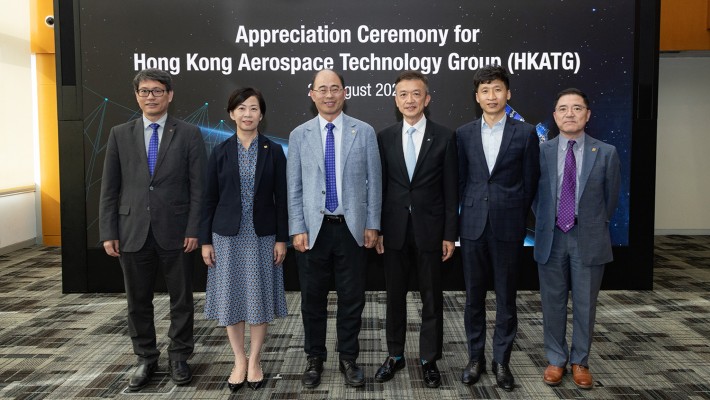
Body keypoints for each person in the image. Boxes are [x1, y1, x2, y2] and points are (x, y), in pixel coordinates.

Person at [99, 68, 206, 391]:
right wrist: (108, 231)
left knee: (181, 299)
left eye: (157, 91)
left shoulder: (188, 133)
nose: (150, 97)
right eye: (144, 91)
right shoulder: (120, 133)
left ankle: (179, 356)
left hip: (177, 231)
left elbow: (198, 187)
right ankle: (145, 357)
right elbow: (109, 188)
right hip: (132, 230)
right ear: (136, 96)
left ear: (169, 95)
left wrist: (194, 228)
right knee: (137, 301)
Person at [287, 69, 382, 388]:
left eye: (335, 88)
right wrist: (297, 226)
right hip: (313, 230)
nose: (329, 95)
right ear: (311, 94)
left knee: (352, 297)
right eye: (322, 89)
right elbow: (294, 186)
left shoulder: (364, 131)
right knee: (312, 298)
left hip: (352, 229)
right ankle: (314, 358)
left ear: (345, 93)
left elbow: (375, 183)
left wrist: (373, 223)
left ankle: (348, 358)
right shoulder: (299, 134)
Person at [456, 65, 540, 392]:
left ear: (508, 93)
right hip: (473, 226)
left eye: (497, 90)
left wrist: (514, 210)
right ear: (477, 97)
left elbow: (530, 182)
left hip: (508, 226)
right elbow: (461, 180)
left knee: (507, 297)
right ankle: (475, 358)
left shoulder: (526, 133)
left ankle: (501, 360)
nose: (492, 96)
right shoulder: (462, 134)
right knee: (473, 297)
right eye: (485, 91)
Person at [199, 87, 288, 392]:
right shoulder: (220, 151)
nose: (247, 114)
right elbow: (208, 199)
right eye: (241, 109)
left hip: (263, 236)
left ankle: (255, 360)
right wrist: (205, 242)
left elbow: (283, 198)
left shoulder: (273, 151)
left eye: (253, 108)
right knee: (232, 299)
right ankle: (238, 359)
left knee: (258, 299)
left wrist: (282, 239)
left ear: (261, 114)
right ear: (231, 114)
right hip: (226, 237)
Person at [374, 71, 458, 388]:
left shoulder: (446, 137)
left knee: (431, 298)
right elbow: (380, 189)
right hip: (393, 231)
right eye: (403, 94)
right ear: (396, 100)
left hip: (431, 231)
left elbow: (451, 191)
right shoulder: (384, 137)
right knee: (394, 297)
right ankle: (394, 355)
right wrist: (378, 229)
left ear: (427, 99)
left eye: (416, 94)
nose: (410, 100)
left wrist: (450, 233)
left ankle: (428, 359)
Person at [533, 88, 620, 390]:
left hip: (589, 237)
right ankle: (556, 359)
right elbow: (534, 197)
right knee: (552, 302)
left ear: (587, 115)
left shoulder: (606, 152)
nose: (570, 114)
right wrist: (549, 219)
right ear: (555, 116)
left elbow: (610, 199)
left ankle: (580, 361)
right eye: (563, 109)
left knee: (585, 304)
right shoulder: (541, 152)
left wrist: (591, 222)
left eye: (577, 108)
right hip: (552, 237)